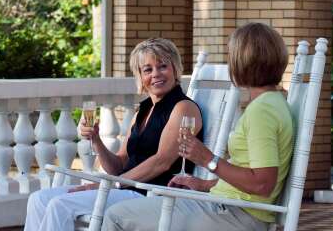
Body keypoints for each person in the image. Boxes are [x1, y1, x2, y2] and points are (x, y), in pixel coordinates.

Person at [101, 22, 294, 231]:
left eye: (232, 56)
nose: (231, 64)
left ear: (243, 62)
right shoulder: (272, 103)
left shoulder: (261, 111)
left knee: (117, 215)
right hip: (229, 206)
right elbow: (251, 178)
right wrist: (203, 185)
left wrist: (208, 159)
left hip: (235, 215)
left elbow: (262, 184)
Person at [23, 38, 204, 231]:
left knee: (60, 205)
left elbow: (162, 161)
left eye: (163, 66)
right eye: (147, 69)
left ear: (175, 68)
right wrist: (96, 140)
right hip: (124, 187)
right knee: (38, 199)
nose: (156, 74)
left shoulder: (183, 107)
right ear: (140, 76)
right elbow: (117, 166)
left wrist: (113, 185)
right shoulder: (142, 110)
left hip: (148, 193)